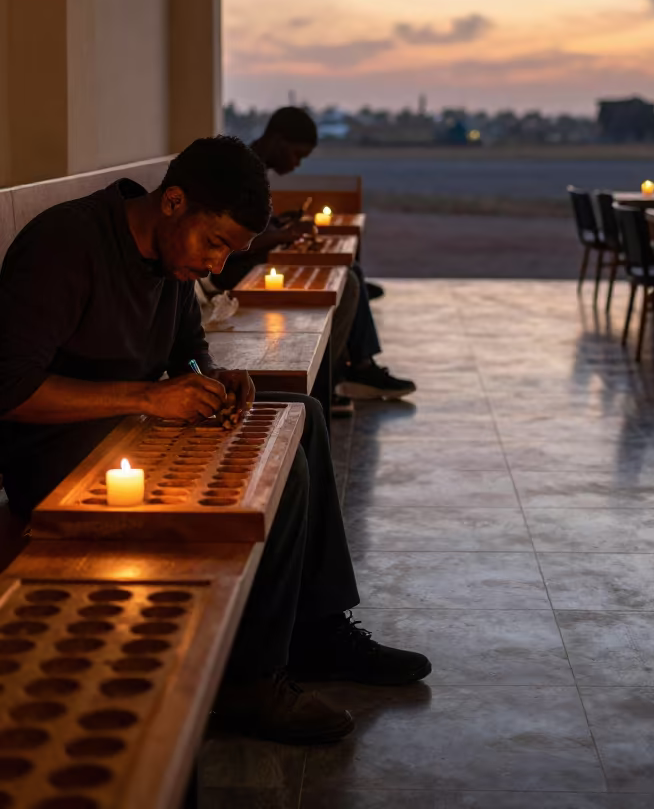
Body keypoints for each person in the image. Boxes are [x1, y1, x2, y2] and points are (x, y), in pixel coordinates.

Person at [0, 137, 430, 744]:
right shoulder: (66, 245)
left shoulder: (169, 259)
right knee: (285, 465)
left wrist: (214, 382)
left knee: (301, 417)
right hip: (56, 459)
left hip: (129, 435)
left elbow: (188, 353)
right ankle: (250, 684)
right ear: (173, 202)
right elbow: (10, 390)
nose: (217, 266)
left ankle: (318, 628)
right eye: (216, 244)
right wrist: (147, 398)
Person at [214, 107, 415, 402]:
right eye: (296, 155)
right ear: (278, 141)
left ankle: (355, 366)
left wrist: (280, 222)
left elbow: (251, 224)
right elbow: (233, 241)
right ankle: (338, 376)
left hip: (255, 260)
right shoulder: (240, 170)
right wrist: (284, 235)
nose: (296, 165)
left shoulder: (253, 167)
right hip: (235, 272)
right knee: (346, 282)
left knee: (349, 275)